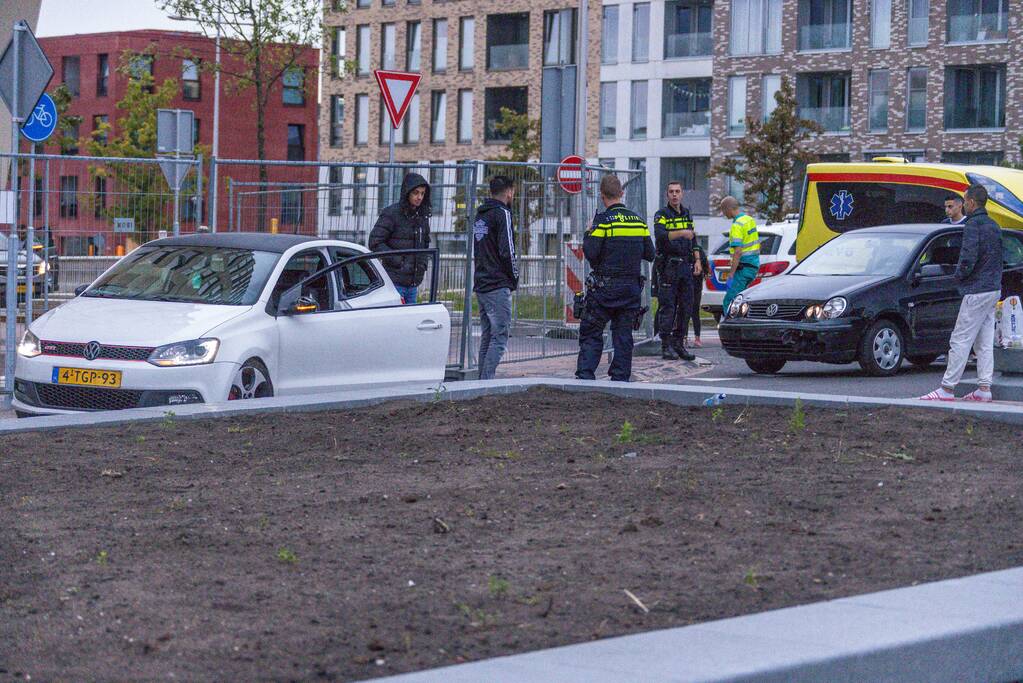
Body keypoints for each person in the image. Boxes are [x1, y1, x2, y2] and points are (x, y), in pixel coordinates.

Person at [919, 184, 1003, 402]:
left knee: (960, 339)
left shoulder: (972, 225)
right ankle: (984, 388)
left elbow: (967, 258)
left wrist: (958, 279)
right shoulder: (994, 225)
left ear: (972, 203)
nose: (964, 205)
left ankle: (947, 388)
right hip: (993, 288)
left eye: (965, 201)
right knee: (984, 342)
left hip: (976, 290)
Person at [576, 175, 656, 382]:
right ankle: (620, 380)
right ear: (622, 193)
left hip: (604, 289)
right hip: (630, 289)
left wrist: (588, 232)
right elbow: (650, 254)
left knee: (592, 333)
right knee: (623, 336)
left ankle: (585, 377)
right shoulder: (638, 222)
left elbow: (591, 253)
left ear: (602, 196)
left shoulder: (602, 221)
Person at [473, 175, 519, 380]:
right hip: (497, 284)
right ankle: (486, 381)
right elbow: (507, 250)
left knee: (488, 336)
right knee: (499, 337)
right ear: (509, 192)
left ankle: (481, 382)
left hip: (482, 283)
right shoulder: (502, 214)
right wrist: (514, 277)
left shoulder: (481, 215)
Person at [369, 172, 432, 304]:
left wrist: (422, 264)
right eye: (416, 193)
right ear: (407, 192)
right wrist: (398, 261)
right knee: (396, 316)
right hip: (394, 282)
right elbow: (375, 242)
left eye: (422, 193)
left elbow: (425, 243)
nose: (419, 197)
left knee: (410, 317)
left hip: (413, 283)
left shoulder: (422, 216)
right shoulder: (391, 214)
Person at [653, 181, 697, 361]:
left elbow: (693, 239)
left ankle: (679, 343)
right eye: (671, 191)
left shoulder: (686, 213)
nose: (674, 194)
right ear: (667, 195)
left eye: (677, 191)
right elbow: (660, 236)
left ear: (682, 194)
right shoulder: (661, 214)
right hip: (668, 266)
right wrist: (681, 233)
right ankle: (666, 345)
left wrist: (697, 260)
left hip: (685, 265)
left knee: (686, 306)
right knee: (668, 306)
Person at [720, 196, 761, 315]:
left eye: (723, 210)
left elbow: (738, 251)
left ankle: (730, 324)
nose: (723, 214)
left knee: (730, 301)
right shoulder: (749, 220)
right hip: (753, 267)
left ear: (728, 209)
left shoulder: (737, 225)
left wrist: (731, 273)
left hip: (742, 269)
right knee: (742, 301)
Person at [690, 242, 709, 348]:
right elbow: (706, 266)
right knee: (695, 312)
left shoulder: (684, 248)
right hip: (697, 284)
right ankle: (697, 339)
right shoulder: (699, 249)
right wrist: (705, 273)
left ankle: (684, 338)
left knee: (684, 311)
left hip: (688, 284)